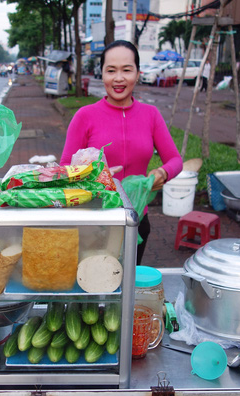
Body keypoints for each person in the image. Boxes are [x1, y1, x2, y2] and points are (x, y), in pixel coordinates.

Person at [60, 40, 183, 264]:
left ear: (137, 74)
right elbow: (65, 170)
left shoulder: (151, 115)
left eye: (127, 70)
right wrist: (94, 173)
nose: (118, 78)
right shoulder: (85, 116)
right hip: (94, 221)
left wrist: (162, 173)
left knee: (127, 290)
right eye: (111, 70)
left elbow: (175, 160)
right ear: (102, 74)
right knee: (92, 287)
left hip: (136, 220)